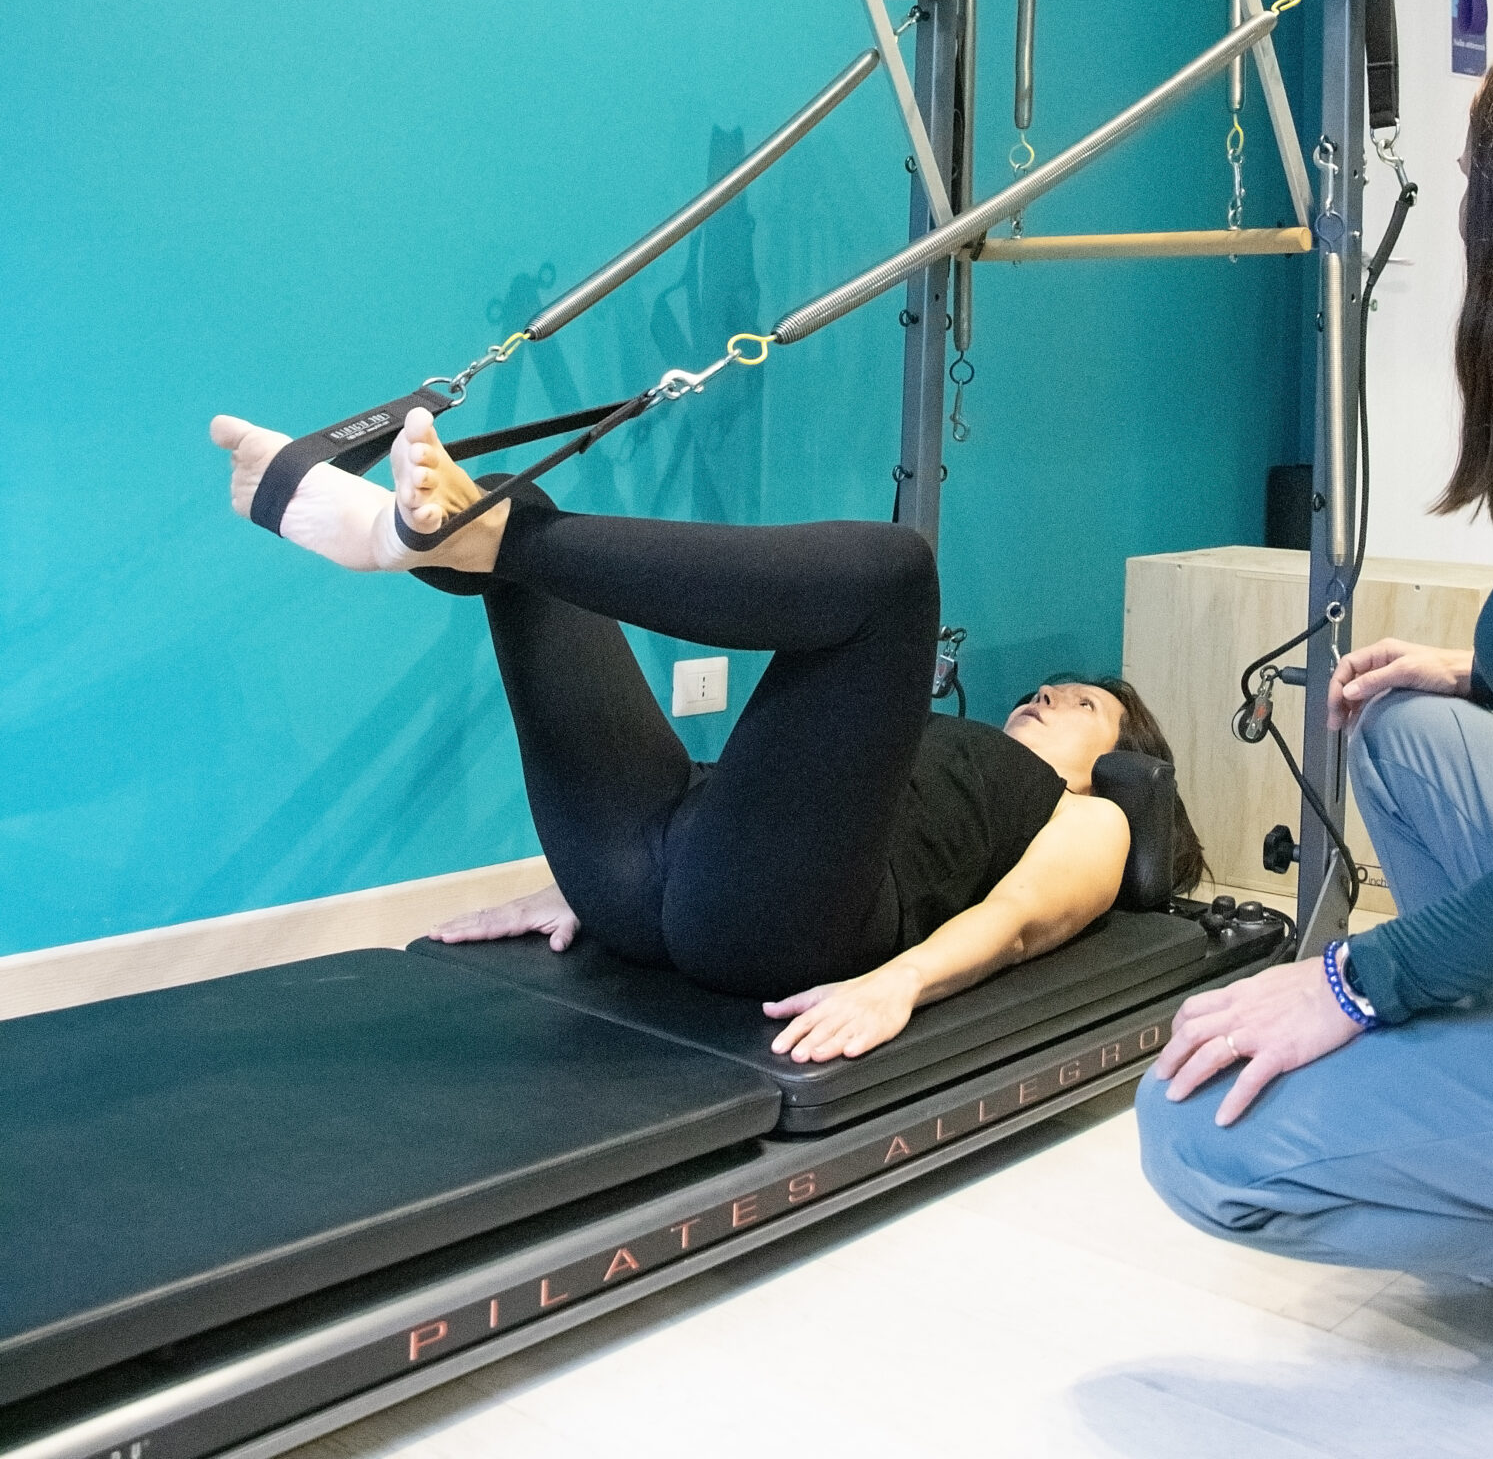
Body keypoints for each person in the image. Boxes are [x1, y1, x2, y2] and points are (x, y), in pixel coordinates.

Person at [1136, 14, 1493, 1454]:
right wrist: (1478, 671)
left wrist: (1354, 982)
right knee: (1402, 726)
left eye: (1470, 174)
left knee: (1199, 1135)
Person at [212, 403, 1202, 1063]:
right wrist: (573, 891)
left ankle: (466, 537)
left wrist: (897, 985)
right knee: (526, 499)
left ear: (1116, 758)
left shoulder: (1089, 815)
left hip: (779, 926)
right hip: (642, 867)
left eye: (1082, 705)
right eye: (1046, 688)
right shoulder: (915, 740)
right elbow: (776, 802)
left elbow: (1021, 920)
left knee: (896, 574)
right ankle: (424, 535)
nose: (1045, 696)